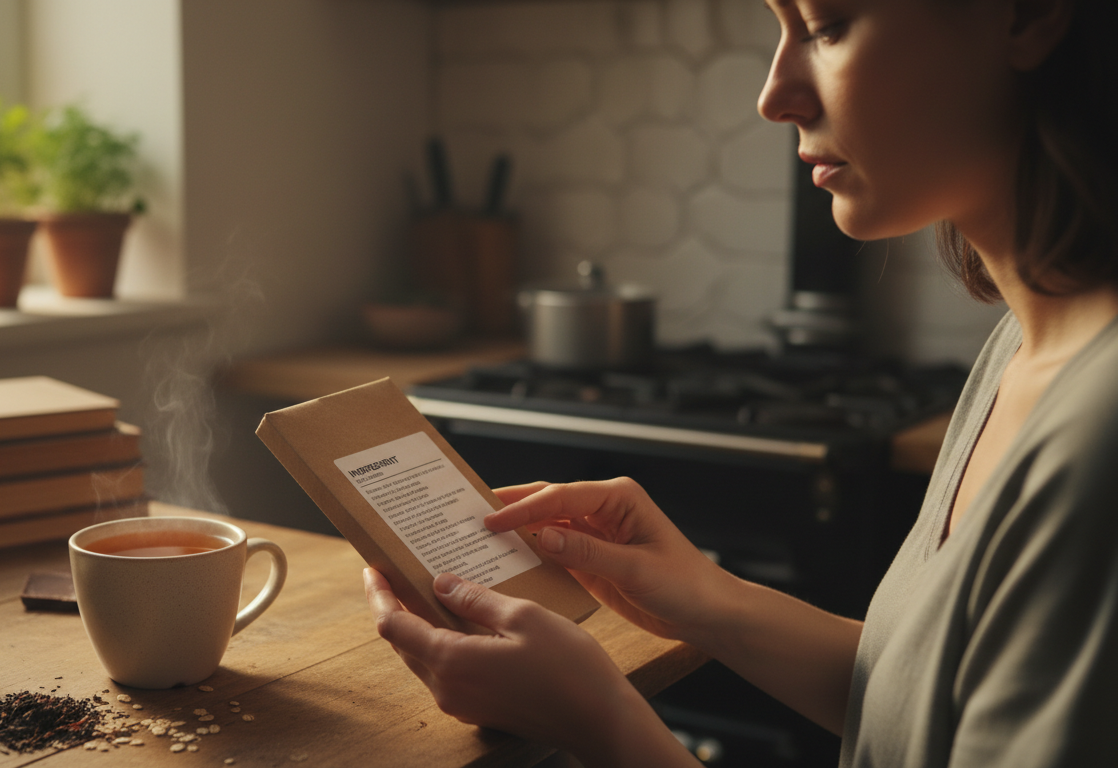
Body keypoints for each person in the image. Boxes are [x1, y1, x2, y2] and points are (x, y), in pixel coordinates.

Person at [364, 0, 1118, 765]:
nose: (772, 95)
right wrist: (706, 598)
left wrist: (599, 721)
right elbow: (926, 704)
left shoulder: (1100, 436)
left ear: (1026, 16)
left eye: (825, 27)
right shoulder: (1023, 345)